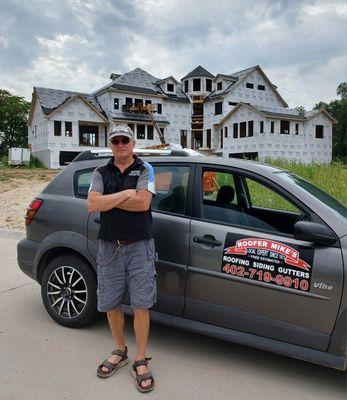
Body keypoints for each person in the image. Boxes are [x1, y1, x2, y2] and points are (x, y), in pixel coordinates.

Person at [87, 124, 156, 393]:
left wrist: (109, 199)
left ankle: (140, 358)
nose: (120, 144)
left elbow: (143, 204)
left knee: (141, 303)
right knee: (110, 301)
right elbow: (92, 204)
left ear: (133, 143)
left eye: (124, 140)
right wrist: (127, 193)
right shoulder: (99, 171)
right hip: (109, 246)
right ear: (110, 144)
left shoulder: (145, 169)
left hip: (140, 246)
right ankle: (121, 350)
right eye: (115, 140)